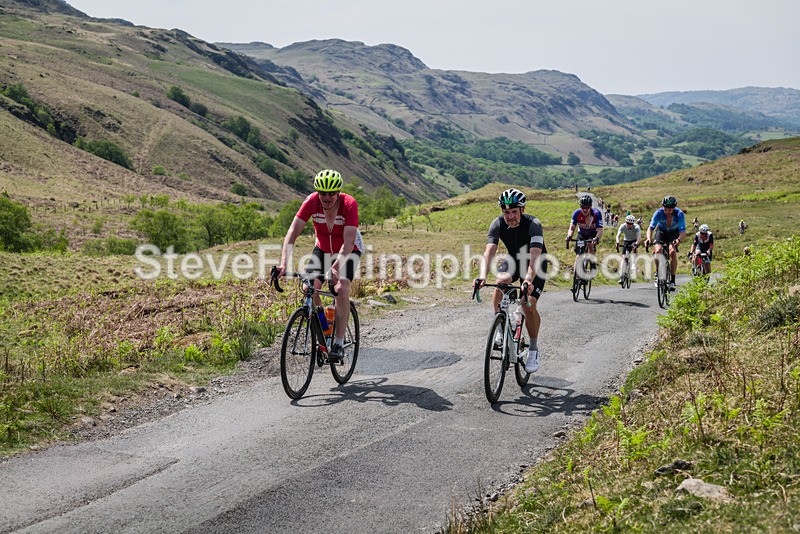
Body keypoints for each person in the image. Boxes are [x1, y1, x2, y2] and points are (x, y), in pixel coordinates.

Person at [276, 169, 364, 361]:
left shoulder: (349, 204)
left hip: (349, 250)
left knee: (341, 288)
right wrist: (283, 264)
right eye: (323, 193)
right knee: (309, 287)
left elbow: (349, 242)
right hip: (323, 250)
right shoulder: (311, 202)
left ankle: (339, 343)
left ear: (338, 192)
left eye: (331, 193)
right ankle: (324, 326)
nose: (326, 197)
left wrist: (335, 268)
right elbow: (292, 233)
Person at [475, 188, 548, 374]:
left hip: (535, 263)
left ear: (522, 210)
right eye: (506, 212)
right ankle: (500, 327)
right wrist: (482, 276)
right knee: (500, 282)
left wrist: (528, 281)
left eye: (514, 211)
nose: (510, 216)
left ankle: (533, 349)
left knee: (527, 302)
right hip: (514, 260)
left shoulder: (534, 225)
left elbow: (533, 260)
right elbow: (489, 252)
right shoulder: (497, 224)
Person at [645, 195, 686, 291]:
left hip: (673, 233)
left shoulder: (679, 214)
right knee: (657, 250)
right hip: (661, 232)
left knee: (672, 252)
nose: (667, 211)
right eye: (666, 209)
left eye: (670, 210)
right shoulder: (658, 213)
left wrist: (679, 240)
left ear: (674, 208)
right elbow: (651, 228)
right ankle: (657, 273)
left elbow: (683, 232)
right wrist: (648, 238)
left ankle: (672, 279)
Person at [566, 194, 603, 276]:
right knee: (578, 255)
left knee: (590, 245)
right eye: (583, 207)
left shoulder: (596, 214)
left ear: (590, 207)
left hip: (593, 233)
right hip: (582, 233)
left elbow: (600, 230)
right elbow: (572, 228)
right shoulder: (577, 213)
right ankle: (576, 278)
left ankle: (592, 263)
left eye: (587, 208)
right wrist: (569, 236)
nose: (585, 210)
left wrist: (596, 238)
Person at [615, 214, 641, 284]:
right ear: (626, 222)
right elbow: (618, 235)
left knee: (635, 249)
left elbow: (639, 237)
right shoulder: (622, 226)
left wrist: (636, 243)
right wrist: (617, 242)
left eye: (631, 224)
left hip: (634, 240)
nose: (629, 225)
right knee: (623, 258)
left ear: (633, 223)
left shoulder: (637, 227)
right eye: (628, 223)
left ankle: (633, 265)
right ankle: (622, 276)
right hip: (626, 240)